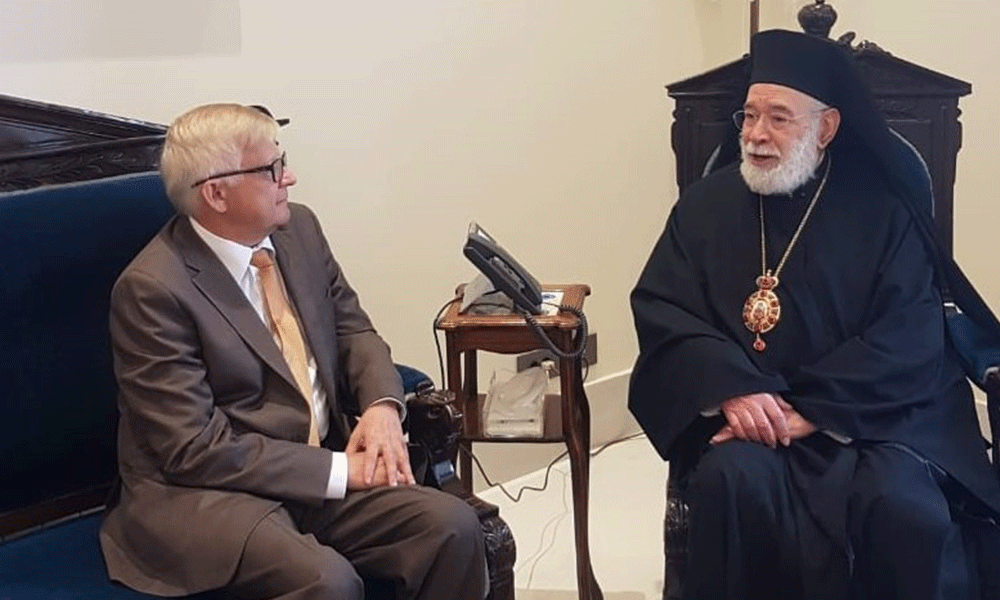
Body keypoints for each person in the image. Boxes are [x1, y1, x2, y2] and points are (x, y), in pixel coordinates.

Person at [629, 30, 1000, 600]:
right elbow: (665, 310)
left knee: (905, 508)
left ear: (826, 128)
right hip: (750, 425)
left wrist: (812, 409)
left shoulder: (883, 211)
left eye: (779, 118)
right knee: (732, 484)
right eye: (750, 115)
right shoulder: (702, 208)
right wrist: (731, 389)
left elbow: (909, 333)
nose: (756, 134)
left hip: (873, 420)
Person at [99, 103, 487, 600]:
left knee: (452, 526)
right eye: (271, 168)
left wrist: (382, 407)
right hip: (211, 494)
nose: (290, 177)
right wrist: (341, 471)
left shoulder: (298, 231)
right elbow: (192, 448)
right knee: (327, 582)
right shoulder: (153, 289)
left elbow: (353, 332)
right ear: (216, 193)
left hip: (317, 463)